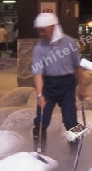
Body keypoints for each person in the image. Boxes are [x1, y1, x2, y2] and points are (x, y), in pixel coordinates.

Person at [31, 12, 86, 147]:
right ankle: (39, 152)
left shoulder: (70, 42)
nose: (41, 33)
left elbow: (78, 66)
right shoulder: (39, 48)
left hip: (67, 84)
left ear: (53, 27)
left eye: (43, 30)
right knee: (41, 121)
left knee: (70, 121)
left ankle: (75, 151)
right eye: (39, 30)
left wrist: (82, 86)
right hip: (48, 85)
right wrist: (39, 95)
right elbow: (37, 73)